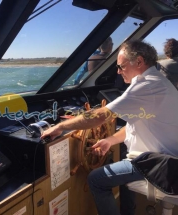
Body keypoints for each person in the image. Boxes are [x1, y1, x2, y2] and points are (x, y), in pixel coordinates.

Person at [41, 40, 178, 215]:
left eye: (121, 66)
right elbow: (136, 125)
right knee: (122, 158)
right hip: (167, 159)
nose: (119, 71)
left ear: (139, 61)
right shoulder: (159, 81)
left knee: (96, 179)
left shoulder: (146, 85)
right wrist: (110, 140)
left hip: (161, 164)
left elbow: (100, 116)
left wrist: (60, 127)